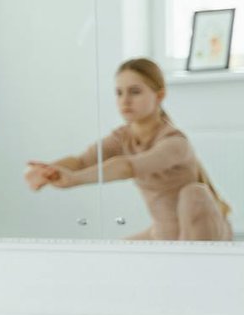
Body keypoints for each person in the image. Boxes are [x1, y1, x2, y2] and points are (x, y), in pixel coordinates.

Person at [27, 58, 233, 241]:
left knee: (194, 193)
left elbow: (127, 167)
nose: (125, 100)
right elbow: (82, 161)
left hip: (204, 232)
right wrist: (48, 170)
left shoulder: (175, 142)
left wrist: (74, 179)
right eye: (119, 93)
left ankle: (190, 261)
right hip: (166, 233)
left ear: (159, 95)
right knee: (112, 255)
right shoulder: (122, 137)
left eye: (135, 92)